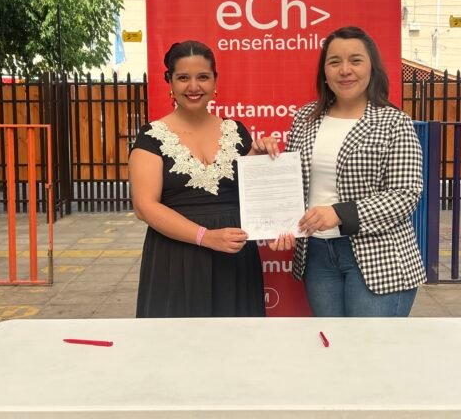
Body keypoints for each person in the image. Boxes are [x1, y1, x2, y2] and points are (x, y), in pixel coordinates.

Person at [269, 26, 426, 317]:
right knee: (333, 344)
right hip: (317, 256)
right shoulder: (305, 118)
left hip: (379, 259)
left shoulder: (394, 122)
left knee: (370, 346)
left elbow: (405, 195)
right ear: (324, 72)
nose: (345, 70)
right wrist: (278, 219)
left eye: (355, 60)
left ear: (371, 68)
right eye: (334, 62)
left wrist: (339, 213)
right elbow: (291, 185)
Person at [129, 40, 278, 317]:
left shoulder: (236, 131)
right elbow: (144, 206)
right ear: (170, 82)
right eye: (183, 78)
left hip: (234, 258)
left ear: (215, 81)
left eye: (203, 77)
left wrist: (258, 157)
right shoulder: (151, 137)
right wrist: (205, 237)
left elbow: (252, 194)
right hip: (176, 259)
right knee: (179, 339)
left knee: (236, 339)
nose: (194, 86)